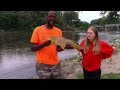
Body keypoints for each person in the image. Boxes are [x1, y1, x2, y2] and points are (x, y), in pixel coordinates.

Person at [30, 11, 72, 79]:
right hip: (42, 64)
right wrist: (44, 44)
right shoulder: (37, 30)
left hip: (55, 64)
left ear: (55, 19)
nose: (52, 18)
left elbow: (58, 49)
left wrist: (65, 47)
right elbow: (32, 48)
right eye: (50, 16)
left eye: (54, 17)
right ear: (47, 17)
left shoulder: (58, 31)